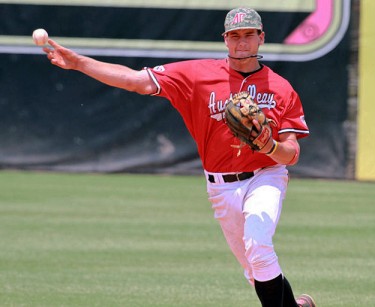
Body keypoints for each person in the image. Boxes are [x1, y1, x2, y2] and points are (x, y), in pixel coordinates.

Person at [43, 7, 315, 307]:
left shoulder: (281, 88)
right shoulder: (196, 75)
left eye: (249, 35)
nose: (242, 42)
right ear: (225, 39)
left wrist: (269, 148)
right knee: (254, 269)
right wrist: (80, 63)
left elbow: (291, 154)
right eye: (235, 35)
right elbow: (135, 81)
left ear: (261, 38)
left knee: (259, 246)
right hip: (222, 186)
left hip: (266, 175)